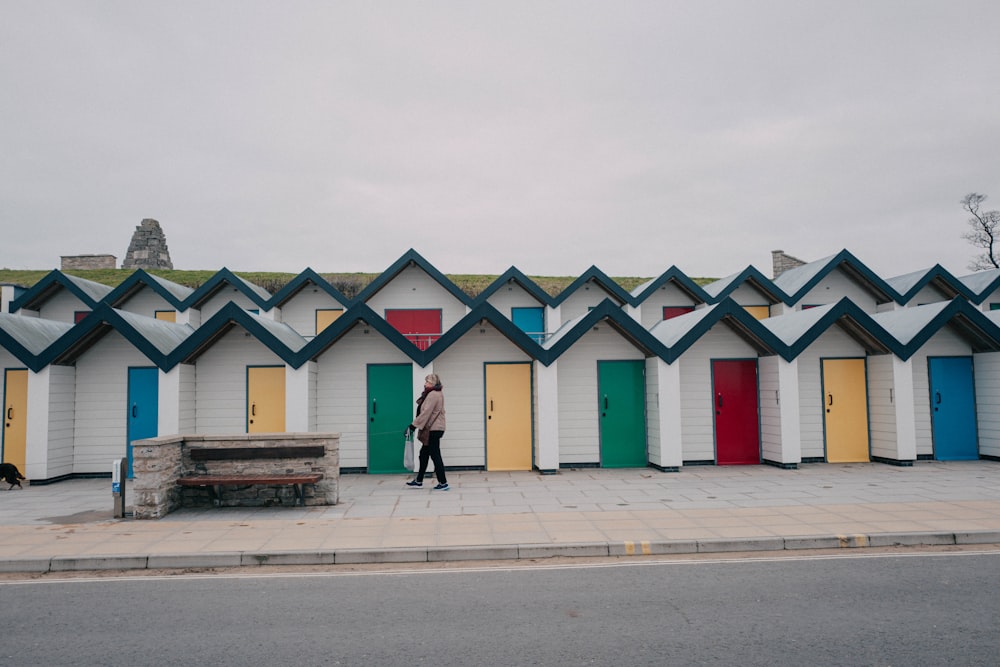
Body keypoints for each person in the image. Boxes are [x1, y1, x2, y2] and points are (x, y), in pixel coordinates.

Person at [405, 373, 448, 490]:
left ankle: (443, 483)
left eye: (427, 382)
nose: (425, 384)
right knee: (424, 454)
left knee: (435, 455)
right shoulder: (435, 393)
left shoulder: (433, 394)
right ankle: (419, 480)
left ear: (432, 383)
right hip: (434, 428)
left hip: (433, 429)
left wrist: (412, 426)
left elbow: (426, 413)